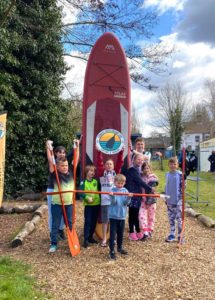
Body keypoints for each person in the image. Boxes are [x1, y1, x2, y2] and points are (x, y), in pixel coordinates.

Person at [47, 140, 79, 253]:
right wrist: (49, 147)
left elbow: (76, 159)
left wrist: (77, 147)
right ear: (58, 167)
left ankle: (71, 242)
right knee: (55, 224)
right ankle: (53, 244)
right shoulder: (55, 174)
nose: (65, 167)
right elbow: (51, 162)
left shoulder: (71, 172)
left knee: (69, 223)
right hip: (57, 203)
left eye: (66, 165)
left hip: (69, 204)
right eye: (62, 166)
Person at [97, 149, 124, 247]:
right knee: (105, 220)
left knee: (114, 220)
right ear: (104, 166)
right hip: (105, 201)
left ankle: (114, 238)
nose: (109, 165)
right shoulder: (101, 172)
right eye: (107, 164)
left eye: (110, 164)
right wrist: (99, 152)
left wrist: (121, 152)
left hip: (115, 201)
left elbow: (120, 163)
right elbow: (99, 162)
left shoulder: (115, 173)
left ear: (113, 166)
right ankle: (104, 238)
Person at [125, 153, 155, 241]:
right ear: (134, 160)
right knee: (132, 214)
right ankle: (131, 232)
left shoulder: (138, 170)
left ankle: (138, 231)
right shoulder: (132, 170)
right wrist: (149, 189)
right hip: (132, 196)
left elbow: (146, 177)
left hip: (137, 196)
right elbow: (140, 181)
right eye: (138, 159)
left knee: (136, 214)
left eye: (142, 160)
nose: (140, 161)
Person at [109, 174, 132, 260]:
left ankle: (119, 247)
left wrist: (129, 198)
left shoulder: (125, 191)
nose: (120, 185)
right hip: (113, 216)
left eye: (122, 183)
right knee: (112, 234)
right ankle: (111, 250)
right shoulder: (112, 190)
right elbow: (114, 202)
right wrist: (112, 196)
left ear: (124, 183)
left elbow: (125, 203)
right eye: (118, 183)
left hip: (122, 216)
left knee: (120, 233)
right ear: (115, 182)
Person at [46, 141, 66, 240]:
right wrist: (48, 147)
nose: (62, 154)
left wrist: (77, 146)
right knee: (52, 212)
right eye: (59, 152)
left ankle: (60, 230)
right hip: (52, 190)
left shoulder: (65, 164)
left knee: (63, 211)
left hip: (62, 190)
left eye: (63, 152)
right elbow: (50, 160)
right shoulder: (53, 164)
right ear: (56, 153)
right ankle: (52, 231)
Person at [79, 165, 100, 248]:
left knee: (94, 221)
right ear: (86, 172)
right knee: (88, 221)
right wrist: (86, 197)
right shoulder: (83, 182)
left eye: (93, 171)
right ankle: (86, 239)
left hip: (96, 204)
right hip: (88, 205)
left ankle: (91, 237)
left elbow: (99, 190)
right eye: (91, 171)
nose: (93, 173)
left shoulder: (96, 181)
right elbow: (80, 192)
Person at [165, 157, 184, 243]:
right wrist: (166, 197)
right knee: (171, 218)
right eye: (171, 164)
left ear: (177, 165)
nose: (173, 166)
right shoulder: (167, 174)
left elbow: (183, 187)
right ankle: (172, 234)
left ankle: (180, 236)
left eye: (174, 164)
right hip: (169, 200)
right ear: (169, 165)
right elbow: (167, 185)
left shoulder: (180, 174)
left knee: (179, 219)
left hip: (178, 200)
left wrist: (185, 180)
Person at [139, 162, 159, 241]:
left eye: (147, 168)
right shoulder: (141, 177)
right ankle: (145, 232)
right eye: (144, 168)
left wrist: (149, 202)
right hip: (143, 199)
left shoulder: (153, 177)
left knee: (151, 216)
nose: (146, 170)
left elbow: (152, 189)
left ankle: (150, 230)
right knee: (141, 215)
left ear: (150, 169)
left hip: (151, 200)